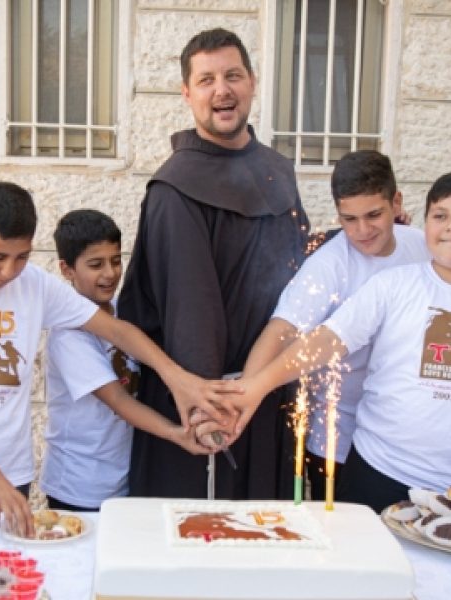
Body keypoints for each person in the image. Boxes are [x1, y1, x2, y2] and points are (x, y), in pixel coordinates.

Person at [202, 171, 451, 512]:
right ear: (427, 224)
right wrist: (256, 386)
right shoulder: (391, 285)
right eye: (441, 215)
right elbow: (326, 341)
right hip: (382, 473)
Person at [0, 182, 233, 536]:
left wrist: (176, 376)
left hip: (11, 473)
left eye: (22, 256)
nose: (10, 271)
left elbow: (117, 332)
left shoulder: (36, 284)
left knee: (9, 582)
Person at [117, 28, 311, 500]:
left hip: (264, 394)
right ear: (188, 94)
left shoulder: (277, 171)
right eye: (206, 80)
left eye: (233, 76)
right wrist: (211, 412)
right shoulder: (175, 188)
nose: (221, 90)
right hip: (208, 405)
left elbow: (294, 266)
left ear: (252, 82)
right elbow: (190, 308)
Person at [241, 150, 429, 500]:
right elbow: (281, 331)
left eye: (374, 215)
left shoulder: (423, 246)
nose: (362, 230)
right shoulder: (328, 266)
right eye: (349, 219)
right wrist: (244, 395)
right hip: (338, 437)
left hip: (407, 438)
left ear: (396, 202)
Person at [41, 209, 210, 512]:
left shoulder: (124, 310)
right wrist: (176, 434)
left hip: (124, 477)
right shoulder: (68, 337)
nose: (110, 273)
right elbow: (119, 401)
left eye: (116, 260)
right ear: (66, 269)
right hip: (80, 485)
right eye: (96, 264)